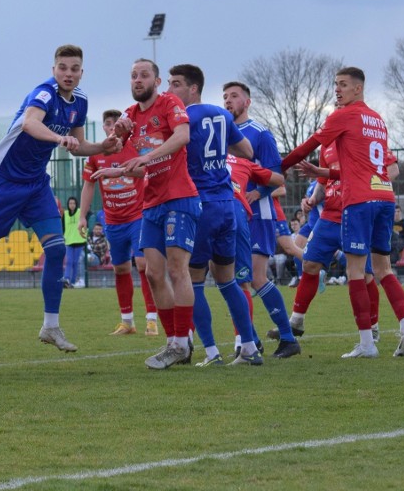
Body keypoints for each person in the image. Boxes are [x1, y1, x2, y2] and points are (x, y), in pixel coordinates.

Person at [0, 44, 121, 354]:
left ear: (82, 72)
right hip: (1, 182)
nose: (68, 73)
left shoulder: (79, 102)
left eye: (75, 68)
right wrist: (58, 137)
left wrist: (104, 147)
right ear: (54, 70)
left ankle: (50, 326)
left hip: (35, 185)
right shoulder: (43, 93)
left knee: (56, 250)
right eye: (63, 68)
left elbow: (78, 146)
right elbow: (29, 122)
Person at [281, 67, 404, 358]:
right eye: (335, 85)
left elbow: (308, 145)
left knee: (355, 271)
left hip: (358, 201)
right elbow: (363, 166)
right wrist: (321, 172)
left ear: (358, 88)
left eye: (342, 85)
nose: (337, 90)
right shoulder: (377, 120)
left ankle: (367, 344)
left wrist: (276, 167)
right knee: (383, 270)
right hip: (384, 197)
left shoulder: (342, 116)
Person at [161, 64, 261, 367]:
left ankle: (212, 352)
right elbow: (246, 150)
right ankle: (248, 348)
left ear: (193, 88)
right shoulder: (221, 114)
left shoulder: (184, 119)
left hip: (200, 206)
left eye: (176, 84)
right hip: (227, 206)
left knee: (192, 280)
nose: (169, 91)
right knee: (228, 281)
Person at [112, 59, 199, 369]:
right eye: (133, 75)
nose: (138, 80)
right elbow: (119, 149)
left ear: (157, 81)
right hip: (151, 203)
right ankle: (175, 341)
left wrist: (146, 156)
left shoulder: (169, 102)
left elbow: (182, 137)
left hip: (179, 198)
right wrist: (114, 159)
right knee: (151, 273)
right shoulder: (130, 115)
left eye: (144, 75)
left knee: (178, 270)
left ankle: (180, 342)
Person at [223, 81, 301, 359]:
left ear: (248, 102)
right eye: (225, 97)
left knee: (254, 278)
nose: (228, 101)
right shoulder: (223, 135)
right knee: (234, 279)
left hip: (258, 214)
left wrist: (257, 192)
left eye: (234, 96)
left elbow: (277, 174)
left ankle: (286, 338)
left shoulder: (260, 134)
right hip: (229, 213)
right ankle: (250, 341)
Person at [79, 109, 158, 336]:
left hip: (138, 215)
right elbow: (89, 185)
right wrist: (83, 216)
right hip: (113, 220)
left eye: (116, 123)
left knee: (144, 265)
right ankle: (127, 322)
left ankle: (151, 320)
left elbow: (148, 171)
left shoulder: (135, 148)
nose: (112, 126)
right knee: (120, 268)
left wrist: (124, 172)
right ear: (104, 127)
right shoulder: (96, 155)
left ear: (123, 127)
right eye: (108, 123)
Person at [62, 196, 87, 288]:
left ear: (76, 204)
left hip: (79, 241)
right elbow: (63, 227)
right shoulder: (65, 214)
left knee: (76, 262)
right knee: (69, 261)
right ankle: (67, 278)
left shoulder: (81, 212)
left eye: (73, 203)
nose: (72, 205)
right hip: (69, 241)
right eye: (70, 203)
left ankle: (72, 281)